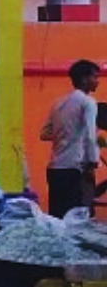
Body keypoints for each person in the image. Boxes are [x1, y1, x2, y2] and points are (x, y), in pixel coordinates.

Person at [40, 58, 100, 218]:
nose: (97, 81)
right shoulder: (88, 102)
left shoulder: (58, 103)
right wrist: (93, 161)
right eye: (94, 77)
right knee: (77, 219)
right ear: (83, 79)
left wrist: (66, 133)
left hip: (54, 167)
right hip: (75, 167)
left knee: (57, 217)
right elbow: (90, 134)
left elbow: (44, 134)